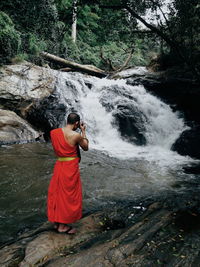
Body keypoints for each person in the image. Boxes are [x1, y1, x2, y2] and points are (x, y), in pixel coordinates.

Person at [47, 112, 89, 234]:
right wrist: (83, 131)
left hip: (59, 164)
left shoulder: (54, 132)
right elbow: (85, 147)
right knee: (69, 195)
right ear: (76, 123)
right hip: (70, 167)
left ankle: (56, 222)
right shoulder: (76, 136)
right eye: (78, 124)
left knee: (57, 193)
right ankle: (63, 226)